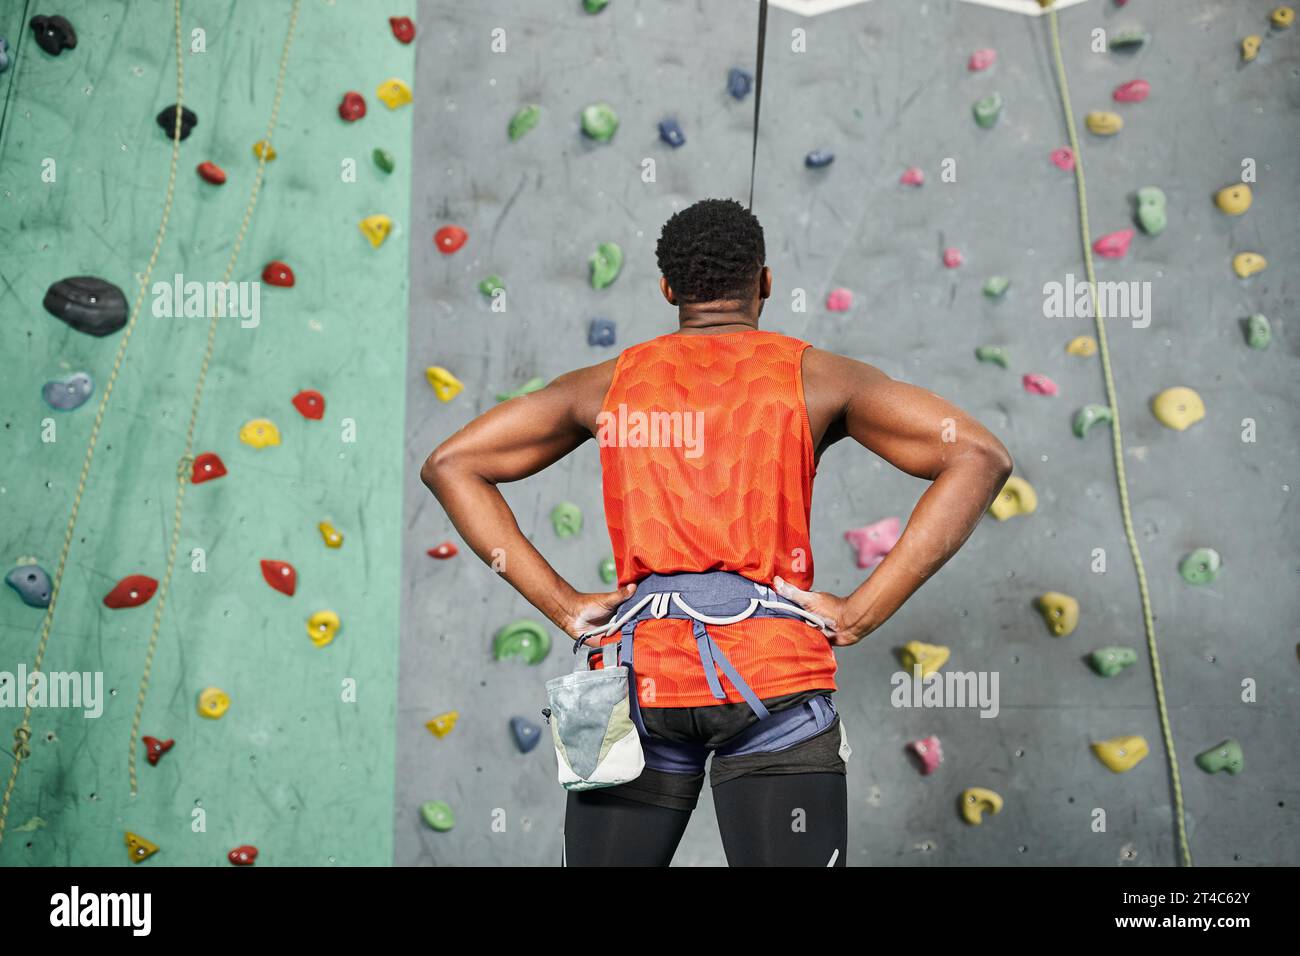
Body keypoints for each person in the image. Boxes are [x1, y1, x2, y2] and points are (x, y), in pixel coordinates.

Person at [421, 198, 1013, 866]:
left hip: (639, 684)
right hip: (773, 684)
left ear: (669, 289)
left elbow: (453, 463)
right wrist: (859, 613)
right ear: (764, 281)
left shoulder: (603, 386)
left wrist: (565, 606)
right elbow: (978, 455)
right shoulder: (819, 377)